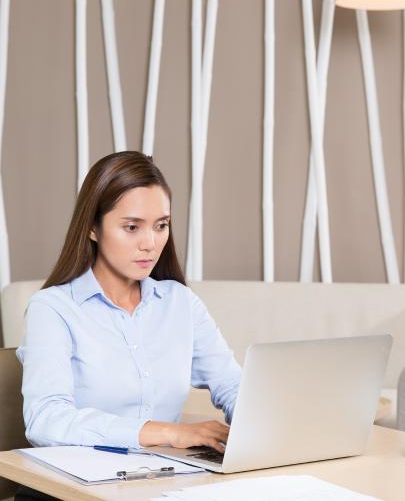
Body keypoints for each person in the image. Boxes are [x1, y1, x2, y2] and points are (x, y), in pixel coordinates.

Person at [17, 151, 241, 454]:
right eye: (132, 227)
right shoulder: (53, 309)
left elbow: (231, 385)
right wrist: (169, 433)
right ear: (93, 228)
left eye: (161, 226)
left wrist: (261, 424)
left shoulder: (180, 303)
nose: (150, 243)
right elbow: (46, 421)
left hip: (160, 477)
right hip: (76, 484)